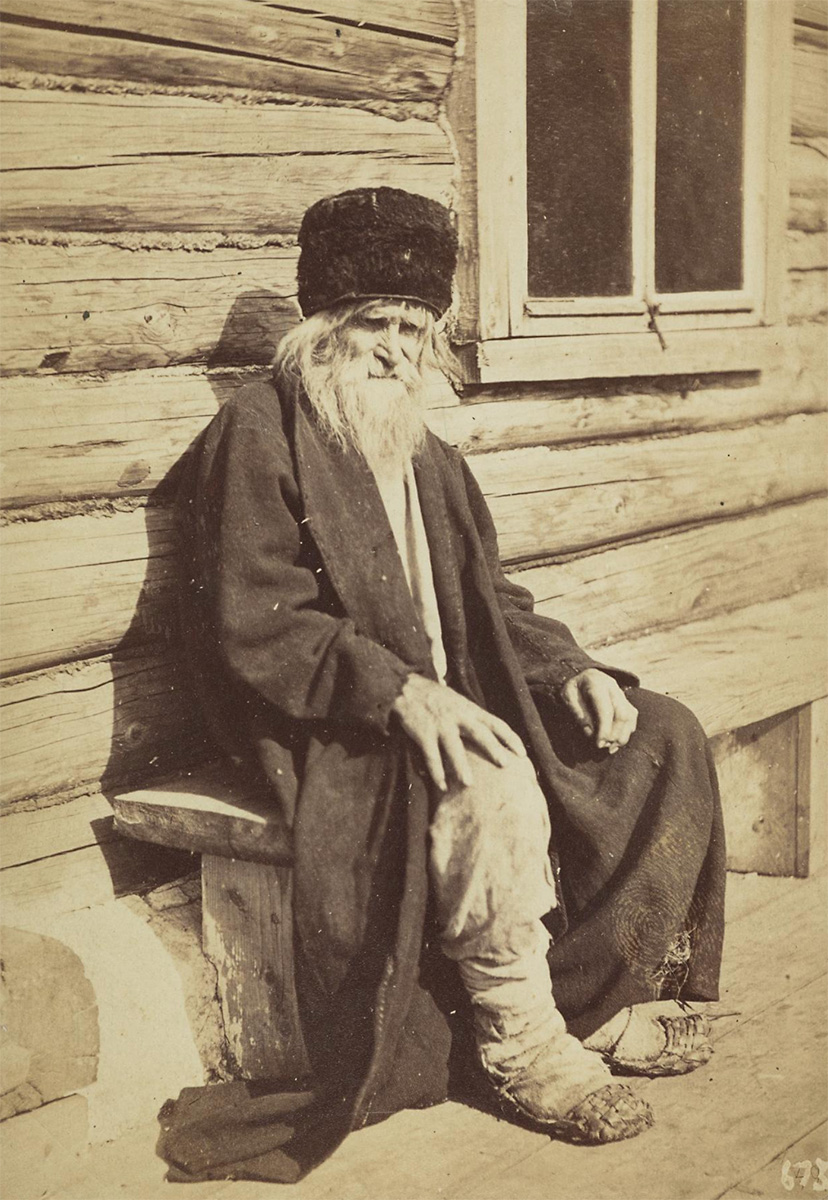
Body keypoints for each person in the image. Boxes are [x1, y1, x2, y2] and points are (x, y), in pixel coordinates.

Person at [161, 187, 726, 1184]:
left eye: (413, 328)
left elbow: (495, 605)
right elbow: (258, 625)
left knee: (661, 735)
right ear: (322, 328)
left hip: (448, 692)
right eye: (369, 324)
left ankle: (591, 990)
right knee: (489, 781)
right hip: (329, 721)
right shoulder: (259, 434)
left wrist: (574, 672)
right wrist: (399, 693)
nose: (392, 350)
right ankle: (524, 1047)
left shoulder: (427, 455)